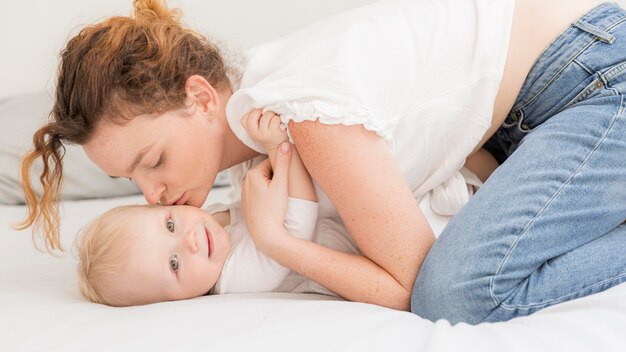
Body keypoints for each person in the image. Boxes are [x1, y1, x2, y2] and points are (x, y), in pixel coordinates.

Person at [17, 0, 626, 323]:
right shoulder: (251, 149)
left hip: (595, 80)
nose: (152, 194)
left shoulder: (299, 112)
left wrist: (278, 244)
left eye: (153, 160)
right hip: (533, 122)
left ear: (201, 98)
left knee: (454, 296)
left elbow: (415, 286)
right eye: (131, 180)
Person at [77, 110, 322, 306]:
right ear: (173, 300)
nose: (190, 241)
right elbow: (297, 227)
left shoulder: (210, 222)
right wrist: (279, 148)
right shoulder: (234, 277)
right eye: (174, 263)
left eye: (170, 225)